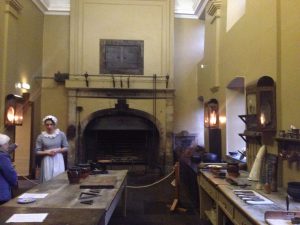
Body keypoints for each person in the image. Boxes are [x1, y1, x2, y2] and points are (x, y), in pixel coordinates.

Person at [35, 115, 69, 182]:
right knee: (47, 178)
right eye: (47, 125)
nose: (49, 126)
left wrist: (57, 150)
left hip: (58, 158)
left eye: (51, 124)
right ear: (44, 125)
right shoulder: (41, 137)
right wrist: (47, 152)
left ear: (54, 125)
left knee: (58, 178)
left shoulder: (61, 134)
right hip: (47, 159)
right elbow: (37, 151)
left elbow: (66, 147)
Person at [0, 134, 18, 204]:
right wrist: (15, 183)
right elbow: (10, 173)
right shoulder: (2, 156)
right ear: (1, 145)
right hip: (2, 192)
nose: (8, 146)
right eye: (6, 144)